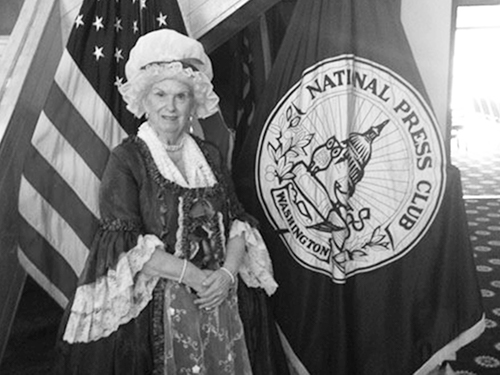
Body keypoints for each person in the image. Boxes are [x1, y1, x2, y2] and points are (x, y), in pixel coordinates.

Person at [54, 29, 278, 375]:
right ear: (144, 100)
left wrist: (225, 274)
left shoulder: (210, 156)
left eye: (181, 96)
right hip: (155, 310)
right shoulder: (126, 159)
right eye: (160, 94)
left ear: (194, 103)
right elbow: (125, 247)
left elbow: (238, 222)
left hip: (219, 298)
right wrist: (193, 277)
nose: (170, 107)